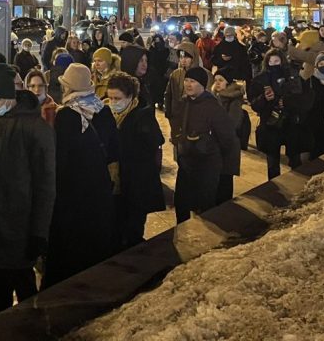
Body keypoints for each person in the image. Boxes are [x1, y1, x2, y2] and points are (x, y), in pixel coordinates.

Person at [0, 64, 55, 323]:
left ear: (10, 95)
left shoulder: (36, 128)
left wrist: (39, 232)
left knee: (24, 296)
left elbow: (45, 184)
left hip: (18, 227)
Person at [43, 62, 116, 286]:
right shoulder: (103, 110)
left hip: (73, 192)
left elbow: (61, 159)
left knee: (71, 246)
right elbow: (113, 149)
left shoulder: (67, 116)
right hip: (99, 189)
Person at [170, 66, 239, 223]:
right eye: (186, 80)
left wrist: (211, 150)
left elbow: (227, 137)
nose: (188, 84)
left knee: (205, 205)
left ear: (201, 84)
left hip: (207, 163)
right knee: (181, 202)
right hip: (187, 161)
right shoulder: (184, 103)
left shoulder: (213, 106)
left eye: (192, 81)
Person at [105, 71, 164, 247]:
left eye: (117, 98)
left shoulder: (142, 116)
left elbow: (155, 141)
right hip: (119, 183)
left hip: (137, 183)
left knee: (133, 229)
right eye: (110, 98)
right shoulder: (108, 115)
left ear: (130, 97)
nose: (113, 103)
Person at [248, 49, 314, 179]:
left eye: (276, 61)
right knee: (272, 162)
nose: (274, 64)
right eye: (271, 61)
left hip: (291, 124)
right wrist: (264, 98)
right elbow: (254, 104)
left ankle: (296, 183)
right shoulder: (260, 80)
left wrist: (288, 102)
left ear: (282, 61)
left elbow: (304, 99)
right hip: (270, 125)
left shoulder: (293, 77)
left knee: (295, 159)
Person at [209, 68, 246, 205]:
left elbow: (233, 123)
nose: (217, 83)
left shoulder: (234, 100)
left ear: (228, 83)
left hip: (227, 146)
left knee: (225, 180)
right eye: (215, 80)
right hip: (214, 146)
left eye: (221, 80)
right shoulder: (213, 97)